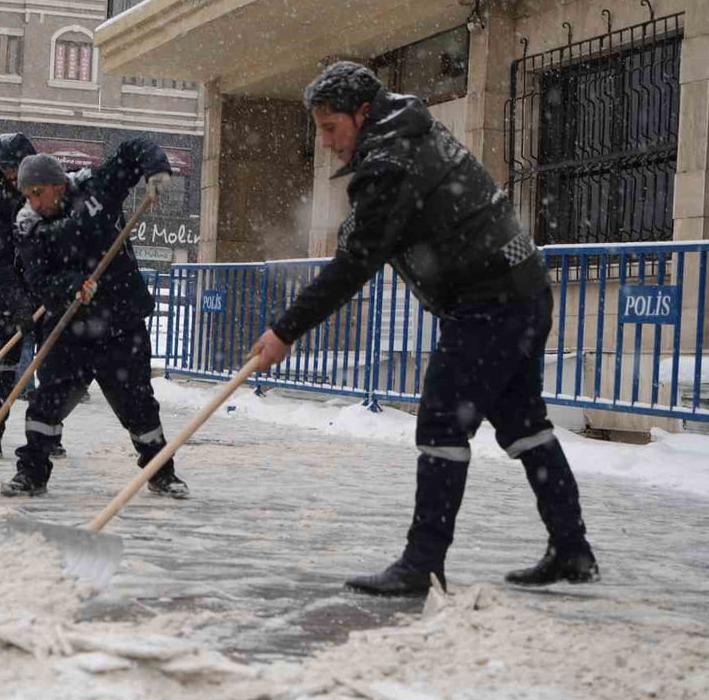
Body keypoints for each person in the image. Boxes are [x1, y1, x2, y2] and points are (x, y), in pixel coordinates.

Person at [248, 62, 598, 596]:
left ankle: (422, 563)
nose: (327, 142)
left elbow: (355, 265)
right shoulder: (405, 134)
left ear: (362, 114)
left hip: (491, 300)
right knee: (524, 423)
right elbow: (385, 230)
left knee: (441, 422)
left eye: (331, 127)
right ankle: (572, 548)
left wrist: (285, 331)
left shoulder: (391, 159)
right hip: (521, 290)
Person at [0, 140, 185, 499]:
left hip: (120, 320)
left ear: (58, 184)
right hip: (70, 326)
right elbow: (38, 280)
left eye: (39, 192)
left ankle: (161, 472)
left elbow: (133, 149)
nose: (35, 202)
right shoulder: (29, 227)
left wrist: (155, 170)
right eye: (28, 195)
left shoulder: (95, 190)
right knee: (48, 401)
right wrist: (71, 287)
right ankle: (32, 472)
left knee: (138, 401)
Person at [0, 133, 49, 461]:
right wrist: (16, 301)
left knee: (53, 362)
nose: (12, 177)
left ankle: (46, 434)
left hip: (48, 283)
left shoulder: (48, 184)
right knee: (0, 363)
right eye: (6, 170)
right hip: (10, 283)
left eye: (16, 169)